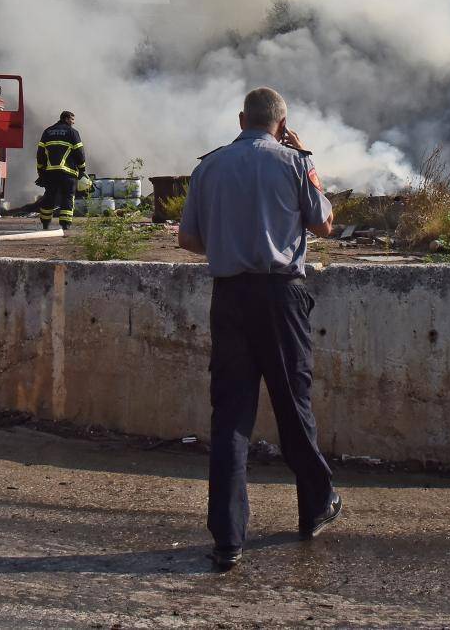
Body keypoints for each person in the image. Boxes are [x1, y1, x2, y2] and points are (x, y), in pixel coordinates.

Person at [178, 86, 341, 572]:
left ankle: (228, 540)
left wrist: (229, 239)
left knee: (230, 417)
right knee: (294, 405)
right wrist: (299, 153)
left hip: (229, 297)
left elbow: (188, 238)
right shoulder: (295, 161)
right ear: (280, 122)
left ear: (241, 118)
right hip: (280, 297)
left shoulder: (208, 166)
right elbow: (325, 223)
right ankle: (315, 507)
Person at [35, 111, 86, 230]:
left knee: (49, 196)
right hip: (68, 174)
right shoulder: (73, 133)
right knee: (68, 197)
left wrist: (40, 171)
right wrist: (82, 169)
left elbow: (40, 153)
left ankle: (45, 223)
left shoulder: (47, 131)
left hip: (50, 172)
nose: (73, 122)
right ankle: (65, 225)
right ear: (67, 119)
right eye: (72, 119)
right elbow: (80, 153)